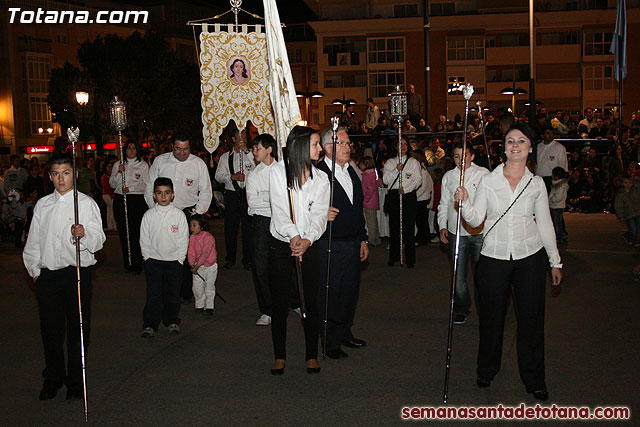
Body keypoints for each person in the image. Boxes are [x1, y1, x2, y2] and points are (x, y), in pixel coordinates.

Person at [454, 123, 563, 401]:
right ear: (503, 148)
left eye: (522, 141)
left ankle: (534, 379)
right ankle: (486, 369)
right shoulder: (490, 181)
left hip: (530, 257)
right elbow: (476, 219)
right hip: (494, 257)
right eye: (510, 141)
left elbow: (546, 224)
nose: (515, 145)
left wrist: (555, 261)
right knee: (491, 319)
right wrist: (464, 202)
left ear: (530, 148)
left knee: (531, 321)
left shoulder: (536, 183)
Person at [22, 152, 106, 400]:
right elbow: (34, 242)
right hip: (48, 274)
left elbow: (99, 240)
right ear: (50, 176)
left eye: (66, 173)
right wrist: (36, 272)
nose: (61, 179)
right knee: (50, 328)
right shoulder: (43, 205)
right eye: (56, 174)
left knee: (78, 328)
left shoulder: (86, 204)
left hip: (77, 273)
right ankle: (53, 377)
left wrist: (84, 234)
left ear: (75, 175)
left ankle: (75, 380)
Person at [268, 126, 329, 375]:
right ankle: (279, 355)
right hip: (281, 242)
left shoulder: (321, 179)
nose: (320, 149)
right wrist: (293, 236)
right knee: (280, 300)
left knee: (310, 300)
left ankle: (311, 354)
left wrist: (307, 240)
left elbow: (320, 215)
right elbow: (280, 210)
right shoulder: (278, 172)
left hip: (309, 244)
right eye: (315, 144)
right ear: (302, 146)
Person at [317, 127, 369, 360]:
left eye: (349, 143)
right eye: (343, 143)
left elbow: (358, 209)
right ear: (329, 147)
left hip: (351, 242)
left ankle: (344, 331)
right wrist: (319, 211)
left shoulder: (352, 172)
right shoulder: (318, 174)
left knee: (350, 291)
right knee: (331, 293)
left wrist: (363, 238)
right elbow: (303, 205)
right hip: (330, 243)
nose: (348, 147)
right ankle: (329, 341)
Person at [146, 134, 212, 302]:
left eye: (186, 149)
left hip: (189, 212)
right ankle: (167, 289)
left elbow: (205, 190)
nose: (182, 153)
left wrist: (198, 212)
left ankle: (187, 291)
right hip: (164, 211)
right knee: (167, 250)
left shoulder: (198, 164)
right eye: (178, 149)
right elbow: (149, 187)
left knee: (190, 252)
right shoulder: (160, 162)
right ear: (172, 147)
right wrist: (155, 209)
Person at [438, 141, 489, 323]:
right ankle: (461, 307)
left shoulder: (484, 174)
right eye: (457, 156)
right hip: (456, 231)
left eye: (465, 155)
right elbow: (443, 204)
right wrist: (442, 226)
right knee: (457, 276)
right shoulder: (449, 177)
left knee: (481, 275)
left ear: (472, 156)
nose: (461, 159)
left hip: (478, 232)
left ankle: (485, 309)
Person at [140, 177, 189, 338]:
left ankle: (172, 320)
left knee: (173, 294)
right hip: (153, 262)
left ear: (172, 195)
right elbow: (144, 239)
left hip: (174, 262)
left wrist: (180, 259)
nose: (163, 197)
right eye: (159, 193)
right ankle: (150, 324)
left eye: (167, 193)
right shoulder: (148, 215)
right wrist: (147, 257)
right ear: (154, 195)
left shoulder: (179, 215)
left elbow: (183, 239)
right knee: (154, 294)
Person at [245, 134, 279, 326]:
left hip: (281, 222)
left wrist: (267, 196)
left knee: (285, 264)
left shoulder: (282, 170)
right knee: (260, 266)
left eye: (257, 148)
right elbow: (253, 203)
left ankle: (293, 301)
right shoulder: (254, 175)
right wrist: (272, 197)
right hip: (261, 223)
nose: (254, 152)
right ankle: (268, 309)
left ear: (269, 149)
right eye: (253, 148)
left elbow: (285, 200)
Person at [214, 128, 255, 269]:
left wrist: (247, 151)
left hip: (249, 195)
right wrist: (232, 177)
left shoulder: (252, 154)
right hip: (232, 195)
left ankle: (248, 259)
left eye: (244, 133)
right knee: (231, 228)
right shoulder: (226, 157)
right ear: (233, 138)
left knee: (248, 229)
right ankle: (230, 258)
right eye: (239, 133)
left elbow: (259, 167)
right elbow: (218, 175)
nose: (242, 136)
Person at [111, 141, 150, 274]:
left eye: (134, 148)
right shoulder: (119, 164)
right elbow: (112, 183)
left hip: (136, 199)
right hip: (121, 198)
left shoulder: (143, 165)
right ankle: (128, 262)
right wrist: (118, 172)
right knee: (124, 231)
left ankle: (138, 262)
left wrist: (131, 188)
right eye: (129, 148)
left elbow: (146, 184)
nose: (131, 151)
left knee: (136, 231)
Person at [383, 136, 422, 267]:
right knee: (394, 228)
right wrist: (396, 170)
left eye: (405, 144)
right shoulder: (390, 162)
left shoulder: (413, 162)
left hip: (408, 196)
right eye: (400, 144)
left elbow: (418, 180)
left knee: (409, 228)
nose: (403, 146)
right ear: (396, 146)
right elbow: (386, 180)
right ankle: (393, 256)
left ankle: (410, 259)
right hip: (394, 196)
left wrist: (406, 189)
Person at [188, 214, 218, 315]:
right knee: (197, 287)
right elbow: (191, 251)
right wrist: (192, 264)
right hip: (198, 266)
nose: (191, 228)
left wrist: (197, 266)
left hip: (210, 267)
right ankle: (199, 304)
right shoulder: (192, 237)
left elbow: (205, 253)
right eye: (191, 225)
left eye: (194, 225)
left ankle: (209, 307)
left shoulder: (209, 238)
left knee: (209, 287)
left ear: (202, 226)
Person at [360, 156, 383, 247]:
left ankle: (372, 239)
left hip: (368, 201)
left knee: (370, 222)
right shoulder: (374, 173)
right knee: (374, 221)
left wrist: (365, 199)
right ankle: (376, 238)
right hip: (374, 200)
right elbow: (379, 182)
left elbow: (369, 190)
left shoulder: (366, 176)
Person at [536, 126, 568, 192]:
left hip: (552, 179)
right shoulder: (538, 147)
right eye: (547, 133)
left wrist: (559, 180)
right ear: (542, 135)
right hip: (538, 178)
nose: (550, 135)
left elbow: (563, 165)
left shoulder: (559, 147)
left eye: (552, 133)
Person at [412, 150, 434, 247]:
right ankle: (424, 238)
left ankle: (422, 239)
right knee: (422, 220)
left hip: (421, 199)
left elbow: (423, 186)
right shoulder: (422, 168)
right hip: (422, 198)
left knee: (421, 221)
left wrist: (414, 197)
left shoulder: (421, 170)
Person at [614, 174, 640, 246]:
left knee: (638, 228)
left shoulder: (636, 191)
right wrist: (621, 216)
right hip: (629, 214)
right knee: (632, 228)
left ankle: (630, 237)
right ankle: (634, 241)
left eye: (629, 183)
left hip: (638, 212)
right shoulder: (621, 194)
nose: (628, 185)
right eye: (626, 183)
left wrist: (635, 178)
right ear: (622, 184)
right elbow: (618, 206)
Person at [549, 167, 569, 243]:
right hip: (556, 206)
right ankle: (561, 235)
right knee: (557, 222)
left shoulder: (560, 186)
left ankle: (560, 236)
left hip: (557, 206)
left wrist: (551, 199)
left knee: (557, 223)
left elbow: (558, 198)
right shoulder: (557, 185)